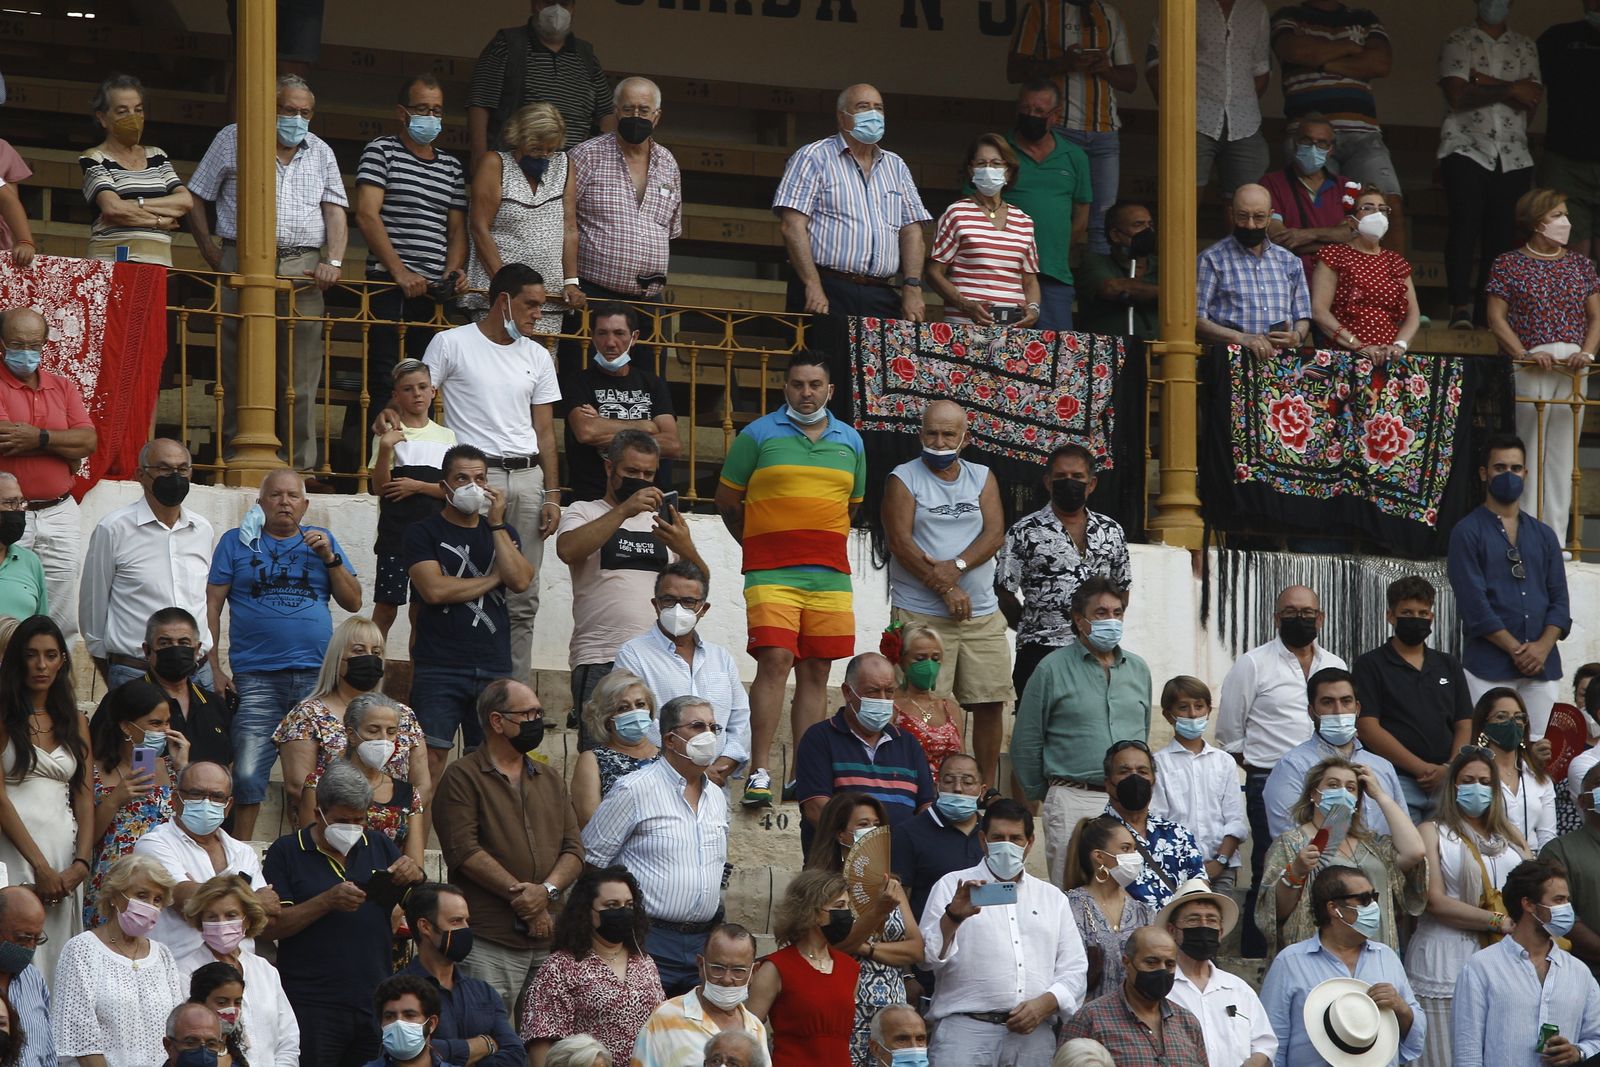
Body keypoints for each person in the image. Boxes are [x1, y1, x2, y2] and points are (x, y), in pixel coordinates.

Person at [715, 350, 865, 808]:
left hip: (830, 573)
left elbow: (851, 505)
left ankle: (804, 775)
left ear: (830, 390)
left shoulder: (852, 441)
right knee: (776, 658)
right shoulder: (757, 435)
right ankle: (759, 770)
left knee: (818, 668)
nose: (806, 393)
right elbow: (726, 501)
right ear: (786, 388)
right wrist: (761, 547)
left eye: (815, 385)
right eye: (798, 384)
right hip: (771, 572)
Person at [187, 75, 349, 476]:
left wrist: (336, 260)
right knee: (236, 368)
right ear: (270, 107)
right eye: (288, 110)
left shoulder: (322, 151)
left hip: (305, 267)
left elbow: (335, 210)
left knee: (302, 375)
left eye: (305, 112)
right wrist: (207, 246)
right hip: (240, 261)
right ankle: (233, 462)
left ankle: (300, 470)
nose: (296, 119)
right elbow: (196, 194)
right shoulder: (233, 137)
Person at [416, 263, 562, 689]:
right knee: (467, 580)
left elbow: (546, 431)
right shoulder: (450, 343)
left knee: (523, 595)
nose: (539, 314)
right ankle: (459, 683)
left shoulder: (538, 353)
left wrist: (552, 492)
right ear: (504, 301)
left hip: (529, 477)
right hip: (475, 481)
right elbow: (421, 401)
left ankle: (512, 695)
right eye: (531, 305)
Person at [206, 469, 361, 841]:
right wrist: (213, 666)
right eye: (275, 495)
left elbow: (353, 601)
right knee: (245, 775)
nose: (284, 502)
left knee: (308, 781)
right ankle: (237, 860)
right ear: (260, 503)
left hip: (316, 679)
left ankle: (308, 853)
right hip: (256, 676)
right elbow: (211, 605)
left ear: (305, 505)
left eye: (293, 496)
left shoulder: (324, 542)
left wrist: (329, 557)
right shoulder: (236, 542)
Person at [432, 679, 583, 1017]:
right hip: (490, 939)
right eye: (527, 713)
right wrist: (525, 899)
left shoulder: (549, 778)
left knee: (545, 1042)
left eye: (539, 713)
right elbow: (465, 851)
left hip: (547, 937)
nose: (536, 721)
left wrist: (544, 892)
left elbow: (574, 849)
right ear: (497, 721)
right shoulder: (462, 777)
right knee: (487, 1039)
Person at [262, 759, 425, 1066]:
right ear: (317, 812)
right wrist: (326, 901)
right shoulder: (286, 852)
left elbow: (416, 900)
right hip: (311, 1003)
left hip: (373, 999)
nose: (352, 828)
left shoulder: (377, 844)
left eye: (359, 820)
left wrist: (414, 875)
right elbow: (271, 927)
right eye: (341, 820)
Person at [883, 399, 1010, 785]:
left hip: (981, 614)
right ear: (921, 434)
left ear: (965, 438)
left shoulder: (982, 476)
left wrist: (954, 569)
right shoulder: (903, 478)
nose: (939, 442)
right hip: (920, 614)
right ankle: (920, 783)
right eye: (932, 433)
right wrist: (946, 589)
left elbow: (994, 534)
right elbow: (900, 543)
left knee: (989, 703)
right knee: (918, 703)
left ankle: (983, 788)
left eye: (948, 434)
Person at [1217, 583, 1346, 956]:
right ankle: (1259, 957)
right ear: (1276, 618)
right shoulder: (1253, 663)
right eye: (1290, 612)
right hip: (1269, 782)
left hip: (1329, 785)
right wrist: (1267, 772)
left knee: (1327, 868)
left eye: (1307, 612)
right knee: (1269, 870)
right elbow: (1230, 733)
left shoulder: (1334, 664)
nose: (1299, 618)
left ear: (1320, 618)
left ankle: (1317, 950)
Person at [555, 429, 706, 739]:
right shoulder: (584, 510)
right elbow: (568, 550)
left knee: (663, 751)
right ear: (609, 468)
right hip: (600, 655)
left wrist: (686, 545)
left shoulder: (663, 522)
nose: (641, 478)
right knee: (599, 754)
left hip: (660, 656)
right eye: (631, 471)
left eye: (648, 473)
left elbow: (699, 585)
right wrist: (624, 510)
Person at [771, 83, 930, 372]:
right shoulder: (813, 156)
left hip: (881, 292)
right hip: (828, 288)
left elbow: (912, 231)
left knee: (881, 381)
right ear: (842, 117)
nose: (873, 115)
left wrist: (913, 286)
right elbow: (792, 225)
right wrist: (812, 284)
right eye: (863, 107)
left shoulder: (896, 166)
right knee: (826, 378)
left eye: (878, 108)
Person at [920, 799, 1087, 1067]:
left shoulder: (1052, 897)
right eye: (998, 837)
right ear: (983, 840)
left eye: (1015, 838)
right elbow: (926, 959)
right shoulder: (952, 885)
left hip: (1034, 1036)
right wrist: (952, 917)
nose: (1006, 845)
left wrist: (1047, 1002)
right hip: (965, 1034)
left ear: (1030, 843)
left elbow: (1075, 967)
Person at [405, 442, 535, 783]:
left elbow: (521, 580)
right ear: (445, 485)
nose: (472, 486)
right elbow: (434, 590)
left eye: (480, 478)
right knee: (428, 764)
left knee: (490, 767)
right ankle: (417, 837)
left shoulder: (503, 533)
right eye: (462, 478)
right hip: (439, 666)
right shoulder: (422, 532)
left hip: (493, 665)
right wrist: (494, 578)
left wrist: (495, 526)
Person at [584, 695, 729, 999]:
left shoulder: (716, 796)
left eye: (713, 727)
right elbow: (593, 860)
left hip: (704, 942)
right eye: (697, 726)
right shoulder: (634, 789)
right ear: (670, 740)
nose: (709, 735)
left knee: (690, 1040)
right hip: (648, 938)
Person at [1009, 579, 1151, 887]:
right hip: (1073, 797)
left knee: (1131, 894)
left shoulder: (1138, 669)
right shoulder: (1051, 669)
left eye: (1117, 612)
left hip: (1129, 802)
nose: (1110, 620)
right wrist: (1048, 794)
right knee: (1073, 894)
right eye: (1101, 612)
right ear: (1079, 620)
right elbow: (1025, 742)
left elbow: (1144, 736)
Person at [1404, 748, 1531, 1067]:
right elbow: (1434, 901)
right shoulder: (1432, 831)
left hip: (1506, 958)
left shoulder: (1510, 834)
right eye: (1468, 780)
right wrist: (1497, 920)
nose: (1476, 787)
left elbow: (1534, 882)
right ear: (1453, 786)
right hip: (1445, 961)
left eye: (1485, 781)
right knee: (1446, 1055)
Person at [1485, 194, 1600, 546]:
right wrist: (1522, 352)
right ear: (1537, 221)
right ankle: (1523, 535)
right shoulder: (1509, 264)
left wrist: (1588, 352)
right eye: (1558, 214)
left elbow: (1596, 317)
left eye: (1565, 214)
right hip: (1531, 363)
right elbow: (1495, 317)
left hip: (1572, 368)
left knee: (1563, 455)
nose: (1565, 221)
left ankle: (1554, 540)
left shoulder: (1581, 265)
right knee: (1528, 451)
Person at [354, 74, 469, 411]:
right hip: (388, 286)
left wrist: (452, 273)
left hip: (434, 292)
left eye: (437, 110)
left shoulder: (450, 166)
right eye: (422, 109)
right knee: (385, 379)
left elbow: (457, 229)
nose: (430, 117)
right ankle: (378, 456)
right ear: (401, 113)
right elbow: (366, 215)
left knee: (426, 382)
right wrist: (400, 273)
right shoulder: (381, 151)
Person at [1446, 433, 1570, 738]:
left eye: (1515, 468)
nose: (1509, 475)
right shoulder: (1467, 532)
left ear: (1526, 473)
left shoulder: (1544, 535)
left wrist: (1541, 648)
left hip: (1543, 666)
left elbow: (1560, 602)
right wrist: (1517, 650)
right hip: (1488, 667)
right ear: (1483, 473)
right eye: (1500, 468)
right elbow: (1475, 606)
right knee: (1488, 749)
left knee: (1536, 751)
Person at [996, 444, 1132, 700]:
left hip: (1098, 650)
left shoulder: (1112, 531)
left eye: (1078, 478)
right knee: (1039, 729)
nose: (1069, 483)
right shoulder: (1023, 531)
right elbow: (1004, 591)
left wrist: (1102, 627)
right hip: (1040, 650)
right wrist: (1035, 624)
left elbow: (1121, 588)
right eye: (1061, 478)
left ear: (1091, 484)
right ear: (1048, 482)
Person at [1439, 1, 1543, 330]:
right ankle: (1460, 308)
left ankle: (1489, 314)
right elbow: (1457, 95)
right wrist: (1512, 87)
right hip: (1465, 147)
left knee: (1500, 238)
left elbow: (1533, 101)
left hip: (1513, 154)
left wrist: (1482, 80)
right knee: (1464, 227)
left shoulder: (1524, 45)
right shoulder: (1458, 39)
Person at [79, 440, 215, 691]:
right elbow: (93, 608)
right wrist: (111, 672)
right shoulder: (114, 529)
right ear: (141, 474)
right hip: (136, 672)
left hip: (197, 674)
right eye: (164, 469)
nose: (175, 476)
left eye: (182, 469)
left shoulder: (203, 530)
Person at [0, 615, 93, 982]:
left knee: (56, 955)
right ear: (17, 660)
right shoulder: (3, 714)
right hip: (13, 850)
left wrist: (81, 863)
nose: (41, 665)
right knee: (13, 941)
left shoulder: (75, 719)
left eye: (51, 655)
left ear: (63, 661)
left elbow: (85, 797)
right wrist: (39, 866)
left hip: (63, 854)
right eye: (32, 654)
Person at [1257, 756, 1426, 957]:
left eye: (1351, 788)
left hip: (1375, 952)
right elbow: (1274, 912)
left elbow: (1415, 852)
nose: (1342, 792)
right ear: (1314, 794)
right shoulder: (1291, 843)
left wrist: (1379, 794)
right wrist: (1296, 872)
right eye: (1333, 785)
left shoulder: (1373, 844)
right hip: (1320, 957)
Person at [800, 793, 923, 1067]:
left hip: (891, 1010)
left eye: (876, 824)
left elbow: (916, 949)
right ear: (839, 832)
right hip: (845, 1005)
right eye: (863, 823)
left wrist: (866, 947)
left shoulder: (890, 883)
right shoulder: (820, 886)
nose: (872, 831)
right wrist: (876, 914)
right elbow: (833, 948)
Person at [1259, 865, 1425, 1067]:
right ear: (1334, 909)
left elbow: (1416, 1039)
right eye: (1364, 899)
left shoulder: (1386, 957)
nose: (1373, 906)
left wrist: (1401, 1007)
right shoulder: (1290, 962)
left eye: (1374, 897)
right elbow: (1272, 1042)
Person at [1006, 0, 1136, 257]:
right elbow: (1014, 70)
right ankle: (1050, 273)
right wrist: (1063, 63)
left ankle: (1094, 289)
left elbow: (1130, 81)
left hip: (1104, 131)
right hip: (1059, 129)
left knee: (1103, 222)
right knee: (1057, 213)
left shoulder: (1109, 13)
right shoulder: (1041, 9)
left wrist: (1105, 68)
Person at [273, 616, 429, 826]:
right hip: (331, 828)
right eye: (358, 650)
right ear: (338, 658)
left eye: (376, 652)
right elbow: (298, 785)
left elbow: (422, 784)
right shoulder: (308, 714)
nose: (369, 658)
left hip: (392, 831)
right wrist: (353, 820)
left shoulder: (404, 715)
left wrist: (391, 819)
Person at [1271, 2, 1404, 245]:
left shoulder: (1364, 17)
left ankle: (1395, 282)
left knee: (1388, 206)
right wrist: (1351, 48)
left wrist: (1323, 62)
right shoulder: (1290, 16)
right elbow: (1296, 51)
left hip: (1363, 135)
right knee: (1313, 208)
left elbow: (1380, 63)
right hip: (1309, 136)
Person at [0, 307, 97, 638]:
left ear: (44, 345)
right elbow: (3, 438)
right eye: (17, 343)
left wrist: (37, 437)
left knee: (61, 611)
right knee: (10, 600)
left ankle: (55, 685)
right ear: (2, 343)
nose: (26, 351)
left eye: (34, 344)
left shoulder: (63, 388)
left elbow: (89, 440)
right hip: (10, 513)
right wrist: (62, 448)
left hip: (60, 511)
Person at [1454, 858, 1600, 1067]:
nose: (1566, 908)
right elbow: (1467, 1053)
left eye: (1567, 900)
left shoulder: (1579, 972)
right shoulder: (1481, 968)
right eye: (1558, 900)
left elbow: (1596, 1038)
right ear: (1529, 904)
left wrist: (1577, 1052)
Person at [613, 561, 750, 784]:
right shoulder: (633, 654)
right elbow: (636, 721)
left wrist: (722, 765)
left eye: (688, 602)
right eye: (668, 600)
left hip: (715, 786)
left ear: (703, 609)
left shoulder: (721, 658)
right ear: (656, 604)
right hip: (658, 781)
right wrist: (689, 768)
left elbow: (740, 719)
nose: (678, 609)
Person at [1353, 576, 1475, 823]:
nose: (1416, 618)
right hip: (1394, 781)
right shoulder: (1370, 664)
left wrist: (1449, 768)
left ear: (1431, 617)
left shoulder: (1448, 664)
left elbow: (1464, 723)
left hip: (1446, 784)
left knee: (1446, 857)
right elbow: (1367, 727)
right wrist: (1422, 769)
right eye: (1407, 612)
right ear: (1391, 616)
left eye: (1423, 612)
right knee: (1403, 856)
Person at [794, 653, 936, 859]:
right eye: (872, 692)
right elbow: (816, 809)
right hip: (837, 869)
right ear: (847, 692)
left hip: (901, 868)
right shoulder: (820, 738)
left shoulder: (908, 743)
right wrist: (868, 848)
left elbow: (926, 806)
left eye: (889, 692)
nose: (883, 700)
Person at [133, 760, 276, 964]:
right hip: (178, 972)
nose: (206, 802)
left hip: (239, 974)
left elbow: (270, 918)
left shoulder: (243, 852)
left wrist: (206, 895)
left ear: (228, 806)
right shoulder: (154, 844)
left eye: (217, 797)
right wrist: (253, 900)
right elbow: (185, 899)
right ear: (176, 799)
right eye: (196, 794)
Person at [523, 865, 664, 1067]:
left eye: (629, 905)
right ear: (586, 911)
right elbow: (541, 1040)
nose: (623, 912)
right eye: (612, 905)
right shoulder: (559, 967)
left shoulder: (644, 961)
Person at [50, 854, 184, 1067]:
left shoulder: (163, 956)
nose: (150, 905)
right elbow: (80, 1040)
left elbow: (178, 1031)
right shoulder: (82, 950)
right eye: (142, 895)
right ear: (114, 896)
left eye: (157, 899)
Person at [565, 78, 682, 310]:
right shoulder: (586, 155)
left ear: (656, 116)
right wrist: (570, 281)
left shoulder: (668, 162)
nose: (636, 116)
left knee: (650, 348)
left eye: (644, 110)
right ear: (616, 112)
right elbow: (561, 221)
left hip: (648, 299)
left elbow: (670, 230)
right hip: (591, 293)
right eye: (629, 109)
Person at [462, 103, 573, 337]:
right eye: (535, 148)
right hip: (500, 296)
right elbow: (479, 227)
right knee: (495, 363)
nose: (543, 155)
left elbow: (569, 227)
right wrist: (506, 286)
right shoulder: (495, 163)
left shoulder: (564, 165)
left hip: (548, 298)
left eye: (549, 149)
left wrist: (571, 281)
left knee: (540, 368)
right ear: (518, 138)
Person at [84, 679, 188, 926]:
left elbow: (190, 827)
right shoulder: (93, 772)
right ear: (126, 727)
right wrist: (115, 799)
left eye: (167, 722)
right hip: (113, 885)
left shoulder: (171, 770)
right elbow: (85, 840)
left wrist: (184, 768)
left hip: (162, 886)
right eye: (155, 723)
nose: (164, 730)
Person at [1145, 0, 1272, 201]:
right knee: (1184, 202)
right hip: (1193, 121)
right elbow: (1155, 66)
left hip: (1245, 124)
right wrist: (1175, 114)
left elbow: (1261, 69)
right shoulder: (1182, 5)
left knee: (1246, 205)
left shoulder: (1256, 9)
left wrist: (1238, 102)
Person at [1264, 667, 1407, 838]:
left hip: (1385, 862)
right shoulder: (1292, 766)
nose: (1338, 711)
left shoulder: (1382, 766)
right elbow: (1288, 838)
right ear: (1311, 712)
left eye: (1346, 701)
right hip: (1322, 862)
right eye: (1327, 702)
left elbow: (1404, 828)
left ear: (1357, 708)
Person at [466, 0, 615, 163]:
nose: (557, 10)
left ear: (573, 8)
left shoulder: (586, 56)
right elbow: (480, 103)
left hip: (570, 168)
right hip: (515, 163)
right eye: (549, 2)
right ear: (534, 4)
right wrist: (479, 158)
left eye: (564, 4)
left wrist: (599, 160)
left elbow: (606, 113)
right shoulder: (508, 44)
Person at [371, 359, 456, 641]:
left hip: (432, 539)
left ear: (433, 391)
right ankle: (371, 674)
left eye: (422, 387)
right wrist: (385, 449)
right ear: (396, 396)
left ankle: (417, 683)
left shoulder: (447, 437)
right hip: (396, 536)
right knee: (385, 607)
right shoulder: (389, 434)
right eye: (408, 389)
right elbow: (380, 487)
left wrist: (417, 486)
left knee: (422, 613)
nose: (417, 394)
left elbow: (452, 491)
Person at [175, 874, 299, 1067]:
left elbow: (288, 1038)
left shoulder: (264, 970)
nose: (222, 923)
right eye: (212, 917)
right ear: (201, 922)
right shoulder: (184, 972)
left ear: (247, 920)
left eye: (231, 915)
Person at [562, 303, 679, 502]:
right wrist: (645, 426)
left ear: (634, 338)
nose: (610, 342)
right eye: (602, 333)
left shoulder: (652, 383)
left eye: (619, 333)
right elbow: (586, 432)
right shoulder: (578, 382)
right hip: (593, 499)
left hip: (648, 499)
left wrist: (602, 422)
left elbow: (672, 445)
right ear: (592, 337)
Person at [397, 882, 523, 1067]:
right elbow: (407, 1052)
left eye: (467, 921)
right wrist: (486, 1044)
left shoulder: (484, 992)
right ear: (425, 927)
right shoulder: (397, 992)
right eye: (456, 921)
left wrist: (446, 1054)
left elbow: (515, 1055)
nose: (465, 929)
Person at [745, 870, 860, 1067]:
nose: (846, 914)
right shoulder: (775, 967)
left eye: (848, 906)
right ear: (812, 912)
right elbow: (748, 1033)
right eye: (839, 906)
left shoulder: (850, 968)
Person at [1001, 81, 1092, 330]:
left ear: (1056, 116)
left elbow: (1082, 217)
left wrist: (1053, 249)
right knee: (998, 351)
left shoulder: (1074, 157)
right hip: (1004, 274)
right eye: (1026, 108)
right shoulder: (999, 150)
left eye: (1040, 111)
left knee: (1056, 357)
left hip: (1053, 275)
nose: (1031, 116)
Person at [925, 134, 1040, 327]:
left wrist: (1034, 309)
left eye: (996, 163)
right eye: (981, 163)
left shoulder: (1024, 221)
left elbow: (1030, 281)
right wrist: (966, 305)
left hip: (1012, 331)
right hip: (964, 326)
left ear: (1008, 172)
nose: (989, 169)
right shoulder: (956, 214)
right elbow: (934, 273)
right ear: (971, 171)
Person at [1160, 878, 1275, 1067]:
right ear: (1172, 930)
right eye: (1193, 919)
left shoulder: (1239, 989)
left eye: (1211, 920)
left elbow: (1264, 1044)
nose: (1203, 926)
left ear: (1220, 932)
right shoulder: (1161, 988)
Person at [79, 73, 191, 264]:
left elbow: (185, 201)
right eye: (122, 111)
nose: (133, 118)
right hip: (113, 262)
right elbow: (112, 208)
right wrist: (158, 222)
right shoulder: (94, 158)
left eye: (138, 110)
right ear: (103, 118)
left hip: (158, 262)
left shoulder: (157, 155)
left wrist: (133, 205)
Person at [1195, 183, 1314, 358]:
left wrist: (1296, 336)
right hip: (1231, 360)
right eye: (1243, 216)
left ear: (1270, 217)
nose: (1250, 225)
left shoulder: (1289, 261)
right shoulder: (1211, 259)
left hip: (1282, 362)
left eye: (1258, 217)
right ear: (1231, 214)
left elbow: (1302, 315)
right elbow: (1196, 320)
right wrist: (1241, 338)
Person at [1150, 676, 1247, 889]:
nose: (1193, 714)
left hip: (1222, 867)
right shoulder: (1158, 763)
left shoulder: (1224, 761)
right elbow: (1159, 821)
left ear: (1209, 710)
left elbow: (1235, 819)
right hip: (1176, 870)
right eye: (1183, 708)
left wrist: (1220, 861)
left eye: (1199, 706)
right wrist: (1188, 866)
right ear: (1168, 715)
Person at [1058, 927, 1208, 1064]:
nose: (1162, 970)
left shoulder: (1188, 1023)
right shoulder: (1090, 1019)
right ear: (1127, 962)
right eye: (1151, 962)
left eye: (1169, 964)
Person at [630, 924, 767, 1067]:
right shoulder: (664, 1019)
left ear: (753, 972)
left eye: (738, 970)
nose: (727, 979)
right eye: (717, 968)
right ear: (701, 965)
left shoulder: (756, 1029)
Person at [1310, 185, 1421, 358]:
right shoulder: (1334, 255)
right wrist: (1358, 346)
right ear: (1351, 221)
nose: (1377, 214)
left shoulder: (1396, 261)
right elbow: (1319, 311)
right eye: (1368, 208)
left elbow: (1413, 314)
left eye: (1382, 209)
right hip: (1344, 357)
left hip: (1387, 357)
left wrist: (1399, 345)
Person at [320, 693, 426, 865]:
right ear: (351, 734)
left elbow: (416, 865)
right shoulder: (320, 783)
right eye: (373, 730)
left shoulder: (409, 794)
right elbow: (311, 845)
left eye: (391, 732)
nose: (384, 739)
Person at [1061, 815, 1155, 1004]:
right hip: (1085, 1021)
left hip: (1133, 1023)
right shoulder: (1069, 906)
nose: (1134, 857)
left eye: (1134, 849)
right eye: (1125, 848)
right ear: (1099, 856)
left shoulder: (1143, 911)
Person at [889, 753, 987, 922]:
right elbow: (899, 901)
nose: (958, 788)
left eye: (968, 782)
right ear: (937, 787)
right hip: (931, 938)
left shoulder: (993, 833)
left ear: (982, 790)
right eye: (949, 781)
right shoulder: (908, 834)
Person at [1261, 114, 1358, 279]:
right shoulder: (1271, 183)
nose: (1314, 148)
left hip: (1339, 281)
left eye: (1321, 143)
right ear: (1294, 143)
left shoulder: (1346, 186)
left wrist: (1307, 235)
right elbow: (1278, 238)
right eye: (1306, 141)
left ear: (1330, 150)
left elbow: (1356, 236)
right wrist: (1335, 238)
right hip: (1288, 277)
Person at [1537, 7, 1600, 261]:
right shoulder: (1558, 38)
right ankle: (1574, 301)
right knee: (1570, 249)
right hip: (1565, 160)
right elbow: (1529, 90)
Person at [132, 609, 231, 769]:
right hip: (148, 791)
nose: (175, 650)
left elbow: (230, 766)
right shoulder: (126, 701)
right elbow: (106, 764)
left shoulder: (216, 705)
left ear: (197, 649)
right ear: (147, 650)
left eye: (184, 643)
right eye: (165, 643)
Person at [1472, 688, 1558, 851]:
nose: (1512, 722)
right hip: (1490, 860)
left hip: (1534, 866)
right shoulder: (1471, 775)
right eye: (1501, 716)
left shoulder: (1540, 779)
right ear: (1484, 724)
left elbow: (1548, 838)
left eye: (1519, 717)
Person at [571, 670, 660, 827]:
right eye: (623, 708)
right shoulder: (592, 760)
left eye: (640, 704)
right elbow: (591, 823)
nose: (634, 711)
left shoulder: (667, 757)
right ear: (606, 718)